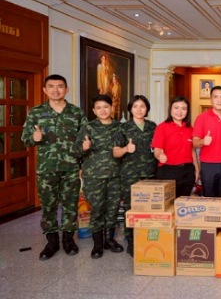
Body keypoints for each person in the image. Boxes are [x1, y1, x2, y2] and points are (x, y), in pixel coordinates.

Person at [21, 74, 87, 260]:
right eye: (51, 86)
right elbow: (25, 139)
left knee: (70, 205)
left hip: (71, 167)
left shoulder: (77, 113)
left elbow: (83, 141)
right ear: (45, 90)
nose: (56, 90)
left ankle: (68, 240)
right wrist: (33, 138)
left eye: (60, 86)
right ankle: (51, 242)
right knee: (48, 206)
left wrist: (82, 164)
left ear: (66, 89)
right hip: (46, 168)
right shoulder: (36, 112)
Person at [78, 94, 123, 258]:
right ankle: (97, 244)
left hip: (115, 175)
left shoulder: (120, 127)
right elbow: (76, 151)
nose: (103, 110)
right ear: (94, 110)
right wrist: (83, 147)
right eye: (98, 108)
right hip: (94, 176)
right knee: (97, 209)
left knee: (112, 208)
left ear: (112, 108)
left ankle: (109, 240)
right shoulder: (88, 127)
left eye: (106, 107)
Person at [113, 95, 157, 257]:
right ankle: (131, 240)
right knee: (131, 208)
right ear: (130, 109)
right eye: (135, 106)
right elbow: (115, 152)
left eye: (142, 106)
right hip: (130, 175)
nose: (139, 109)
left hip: (150, 173)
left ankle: (147, 237)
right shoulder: (123, 128)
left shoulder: (153, 126)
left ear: (147, 109)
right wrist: (126, 149)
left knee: (150, 208)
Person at [192, 86, 221, 197]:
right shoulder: (201, 118)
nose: (219, 100)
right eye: (216, 97)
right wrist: (202, 141)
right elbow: (194, 143)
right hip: (208, 166)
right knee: (209, 197)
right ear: (211, 100)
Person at [152, 96, 199, 198]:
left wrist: (197, 169)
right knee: (169, 204)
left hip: (188, 172)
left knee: (183, 204)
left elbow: (192, 150)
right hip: (168, 171)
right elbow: (157, 150)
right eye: (176, 107)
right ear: (170, 109)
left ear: (187, 111)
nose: (179, 111)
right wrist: (160, 155)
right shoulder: (162, 127)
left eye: (183, 108)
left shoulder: (190, 129)